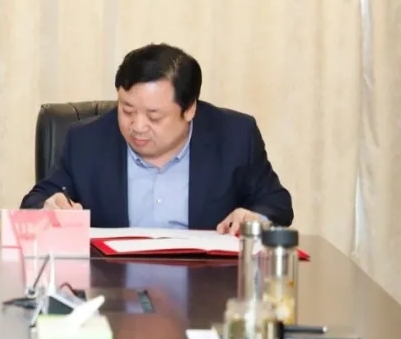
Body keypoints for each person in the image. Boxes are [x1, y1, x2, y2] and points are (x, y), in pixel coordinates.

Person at [20, 43, 293, 233]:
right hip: (112, 285)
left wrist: (255, 218)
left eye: (154, 116)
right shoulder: (87, 141)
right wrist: (48, 207)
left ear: (189, 109)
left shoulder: (235, 136)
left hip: (207, 286)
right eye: (127, 110)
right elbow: (35, 201)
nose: (138, 126)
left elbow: (277, 204)